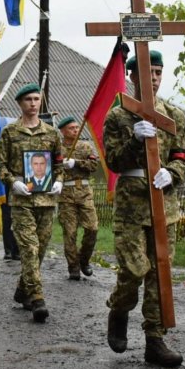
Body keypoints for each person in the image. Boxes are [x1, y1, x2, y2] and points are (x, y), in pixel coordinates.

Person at [103, 50, 185, 368]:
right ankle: (119, 309)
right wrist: (134, 141)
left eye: (157, 72)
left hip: (164, 201)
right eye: (146, 71)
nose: (153, 78)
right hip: (131, 204)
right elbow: (112, 161)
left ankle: (155, 339)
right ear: (132, 75)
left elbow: (180, 157)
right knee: (134, 269)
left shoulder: (174, 116)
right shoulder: (118, 115)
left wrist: (173, 174)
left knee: (159, 274)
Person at [0, 83, 64, 323]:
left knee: (41, 250)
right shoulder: (10, 132)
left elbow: (59, 165)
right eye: (28, 100)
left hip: (46, 200)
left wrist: (60, 181)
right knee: (29, 249)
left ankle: (23, 289)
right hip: (21, 200)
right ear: (20, 104)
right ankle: (37, 298)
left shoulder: (53, 133)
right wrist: (12, 181)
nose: (33, 104)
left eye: (36, 99)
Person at [57, 116, 99, 280]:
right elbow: (51, 168)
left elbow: (94, 165)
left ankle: (84, 259)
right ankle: (73, 266)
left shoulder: (86, 147)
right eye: (71, 128)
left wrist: (76, 162)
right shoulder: (57, 149)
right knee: (70, 233)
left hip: (85, 194)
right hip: (66, 195)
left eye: (76, 127)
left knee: (92, 228)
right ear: (62, 131)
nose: (75, 130)